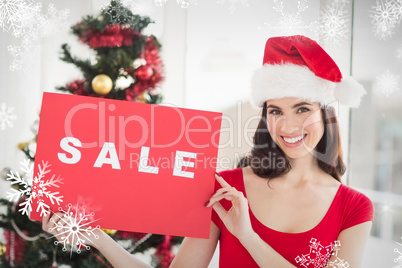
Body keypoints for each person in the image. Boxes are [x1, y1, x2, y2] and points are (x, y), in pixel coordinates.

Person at [42, 35, 374, 268]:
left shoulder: (355, 208)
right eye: (276, 111)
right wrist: (98, 238)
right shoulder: (227, 189)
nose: (288, 126)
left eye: (302, 109)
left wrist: (247, 236)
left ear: (326, 114)